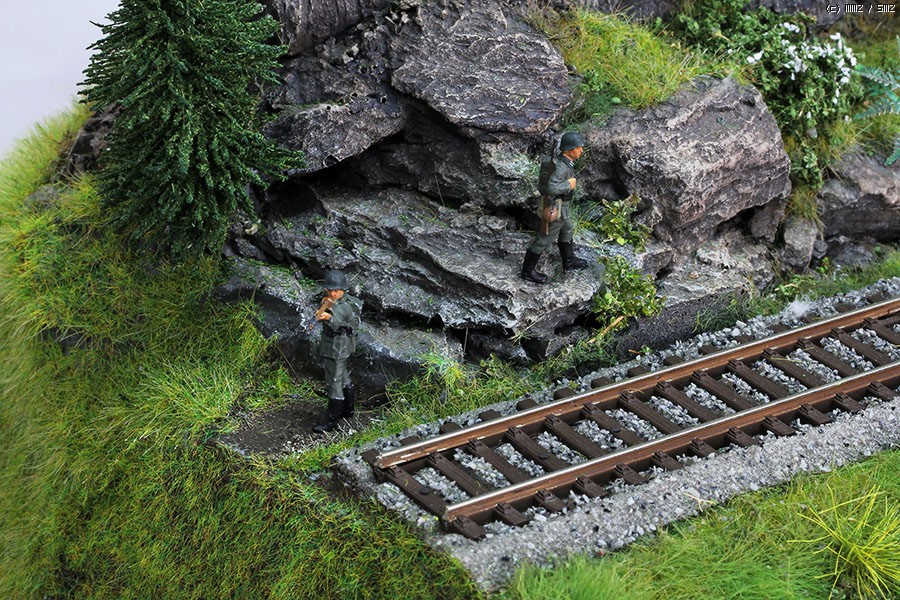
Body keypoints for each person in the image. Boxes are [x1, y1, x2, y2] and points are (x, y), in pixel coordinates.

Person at [521, 131, 589, 284]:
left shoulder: (565, 163)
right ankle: (527, 271)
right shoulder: (560, 167)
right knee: (544, 238)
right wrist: (568, 185)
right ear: (569, 149)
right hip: (555, 208)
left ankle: (569, 262)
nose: (581, 150)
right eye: (578, 148)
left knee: (568, 229)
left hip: (563, 206)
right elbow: (549, 188)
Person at [312, 269, 363, 433]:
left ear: (343, 289)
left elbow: (336, 322)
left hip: (336, 347)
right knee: (343, 377)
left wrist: (328, 317)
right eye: (330, 290)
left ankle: (331, 420)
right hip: (340, 345)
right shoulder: (339, 301)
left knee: (334, 381)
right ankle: (348, 409)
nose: (333, 294)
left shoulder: (343, 306)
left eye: (337, 291)